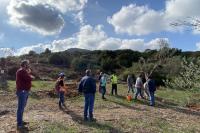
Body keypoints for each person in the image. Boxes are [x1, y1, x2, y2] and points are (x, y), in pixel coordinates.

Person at [16, 60, 34, 130]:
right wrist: (30, 75)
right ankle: (19, 123)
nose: (28, 65)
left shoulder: (23, 71)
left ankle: (20, 121)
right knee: (21, 108)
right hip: (22, 91)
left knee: (22, 107)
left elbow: (27, 77)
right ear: (24, 65)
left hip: (24, 91)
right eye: (27, 64)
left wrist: (28, 73)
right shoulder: (21, 71)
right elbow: (28, 78)